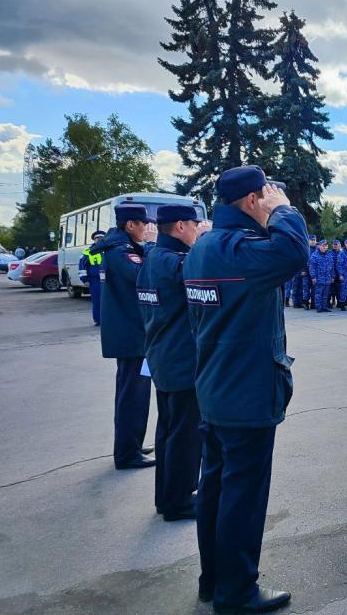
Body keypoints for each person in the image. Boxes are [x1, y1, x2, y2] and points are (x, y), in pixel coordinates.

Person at [183, 166, 309, 613]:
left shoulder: (203, 248)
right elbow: (295, 254)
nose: (271, 203)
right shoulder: (243, 249)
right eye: (267, 197)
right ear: (253, 201)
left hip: (215, 389)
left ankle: (213, 580)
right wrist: (285, 211)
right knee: (243, 497)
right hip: (247, 392)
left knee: (215, 490)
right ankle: (236, 592)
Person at [136, 204, 203, 521]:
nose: (197, 229)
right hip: (181, 360)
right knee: (184, 433)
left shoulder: (151, 258)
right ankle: (178, 501)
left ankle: (167, 495)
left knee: (168, 430)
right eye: (195, 224)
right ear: (180, 226)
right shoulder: (176, 262)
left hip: (162, 355)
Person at [89, 204, 156, 470]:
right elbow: (144, 277)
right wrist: (150, 247)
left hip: (130, 332)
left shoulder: (120, 248)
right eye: (142, 224)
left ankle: (132, 444)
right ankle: (127, 454)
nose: (146, 229)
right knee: (133, 396)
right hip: (131, 336)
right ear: (130, 225)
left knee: (134, 394)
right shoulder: (120, 252)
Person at [78, 230, 105, 325]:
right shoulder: (87, 252)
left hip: (108, 280)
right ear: (94, 240)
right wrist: (84, 279)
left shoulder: (108, 250)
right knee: (97, 300)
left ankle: (108, 319)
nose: (99, 240)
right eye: (97, 238)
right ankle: (98, 320)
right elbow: (82, 266)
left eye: (101, 238)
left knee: (109, 301)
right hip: (95, 280)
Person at [309, 239, 334, 312]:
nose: (325, 247)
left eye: (326, 246)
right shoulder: (314, 255)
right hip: (319, 278)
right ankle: (318, 307)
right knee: (318, 293)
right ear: (319, 246)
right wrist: (313, 277)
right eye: (323, 246)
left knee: (326, 294)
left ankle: (324, 307)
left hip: (327, 278)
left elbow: (332, 267)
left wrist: (332, 276)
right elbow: (312, 267)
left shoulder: (329, 255)